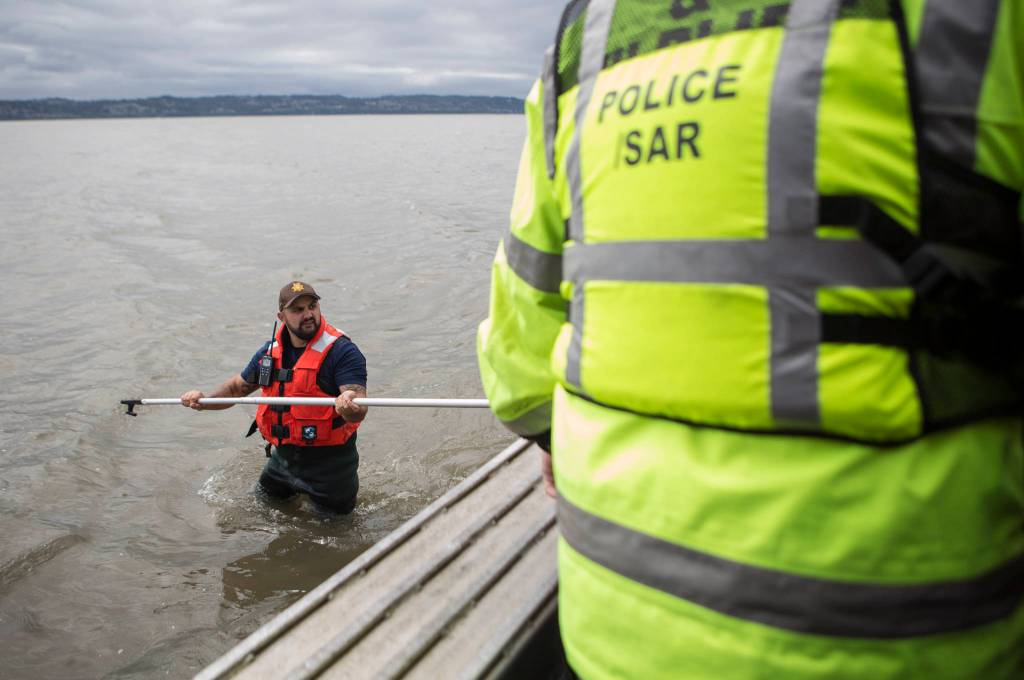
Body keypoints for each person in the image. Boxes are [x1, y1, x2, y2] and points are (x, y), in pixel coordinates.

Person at [478, 1, 1023, 678]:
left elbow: (520, 331)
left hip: (617, 628)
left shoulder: (591, 28)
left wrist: (548, 431)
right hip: (905, 635)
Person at [182, 281, 368, 514]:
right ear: (282, 316)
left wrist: (348, 404)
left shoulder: (343, 352)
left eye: (312, 306)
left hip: (331, 468)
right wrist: (203, 401)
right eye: (298, 310)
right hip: (283, 462)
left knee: (335, 532)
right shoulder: (269, 353)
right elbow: (236, 389)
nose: (308, 314)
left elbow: (359, 404)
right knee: (258, 509)